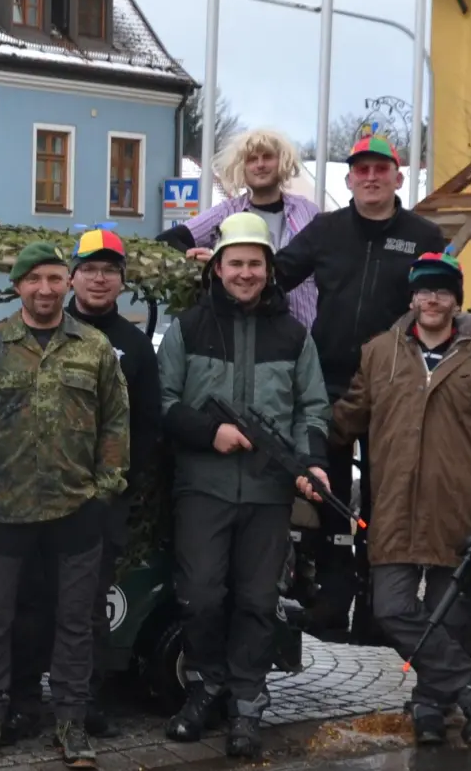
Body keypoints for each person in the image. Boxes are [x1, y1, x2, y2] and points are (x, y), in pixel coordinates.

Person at [0, 243, 129, 768]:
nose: (44, 289)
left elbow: (116, 424)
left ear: (67, 283)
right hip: (2, 515)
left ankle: (71, 721)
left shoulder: (94, 347)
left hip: (76, 512)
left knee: (75, 622)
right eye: (34, 279)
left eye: (54, 278)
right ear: (18, 286)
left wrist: (103, 491)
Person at [157, 213, 330, 758]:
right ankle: (205, 686)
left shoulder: (294, 336)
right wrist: (212, 433)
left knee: (258, 601)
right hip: (202, 489)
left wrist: (313, 462)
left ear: (269, 269)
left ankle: (247, 703)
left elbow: (312, 407)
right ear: (218, 267)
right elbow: (163, 403)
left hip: (268, 494)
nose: (246, 273)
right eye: (236, 262)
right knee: (201, 596)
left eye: (255, 263)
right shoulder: (188, 328)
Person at [336, 252, 471, 746]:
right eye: (423, 291)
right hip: (394, 505)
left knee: (452, 617)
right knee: (391, 607)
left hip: (459, 508)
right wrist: (306, 439)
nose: (431, 300)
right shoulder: (380, 352)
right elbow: (350, 414)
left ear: (456, 299)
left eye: (441, 291)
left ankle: (430, 706)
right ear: (412, 297)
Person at [271, 133, 446, 640]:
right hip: (328, 380)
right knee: (326, 491)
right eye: (361, 170)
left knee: (384, 493)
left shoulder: (424, 235)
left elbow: (443, 297)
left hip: (395, 384)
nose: (371, 178)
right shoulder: (327, 230)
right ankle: (332, 595)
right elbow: (276, 275)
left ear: (398, 177)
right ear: (348, 179)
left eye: (380, 169)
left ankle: (376, 606)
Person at [6, 227, 164, 741]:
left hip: (98, 502)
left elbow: (145, 425)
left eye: (109, 271)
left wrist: (114, 489)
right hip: (32, 498)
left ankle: (84, 701)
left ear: (122, 281)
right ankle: (24, 701)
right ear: (72, 277)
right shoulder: (44, 330)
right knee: (30, 604)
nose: (99, 279)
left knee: (90, 606)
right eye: (89, 269)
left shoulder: (134, 346)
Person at [156, 128, 320, 326]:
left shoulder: (308, 211)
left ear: (282, 161)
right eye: (252, 159)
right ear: (241, 167)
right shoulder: (226, 213)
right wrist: (210, 264)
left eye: (267, 157)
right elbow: (168, 240)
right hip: (245, 330)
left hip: (304, 327)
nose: (260, 165)